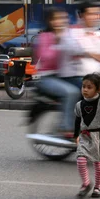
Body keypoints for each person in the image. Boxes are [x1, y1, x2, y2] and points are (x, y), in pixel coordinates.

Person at [33, 7, 82, 136]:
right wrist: (59, 44)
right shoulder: (44, 37)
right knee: (71, 92)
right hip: (46, 77)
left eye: (64, 18)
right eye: (58, 18)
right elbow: (45, 57)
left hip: (63, 75)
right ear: (50, 21)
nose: (62, 21)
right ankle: (66, 127)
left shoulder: (67, 35)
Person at [73, 73, 100, 198]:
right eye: (83, 86)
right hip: (85, 136)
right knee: (80, 160)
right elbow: (77, 120)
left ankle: (98, 187)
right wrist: (76, 135)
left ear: (98, 89)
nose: (85, 89)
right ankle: (86, 183)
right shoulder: (79, 105)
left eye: (89, 87)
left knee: (98, 163)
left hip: (99, 136)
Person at [72, 2, 100, 83]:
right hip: (78, 77)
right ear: (81, 15)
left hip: (95, 77)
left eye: (97, 14)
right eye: (90, 14)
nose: (94, 17)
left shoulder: (97, 33)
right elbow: (92, 53)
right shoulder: (75, 32)